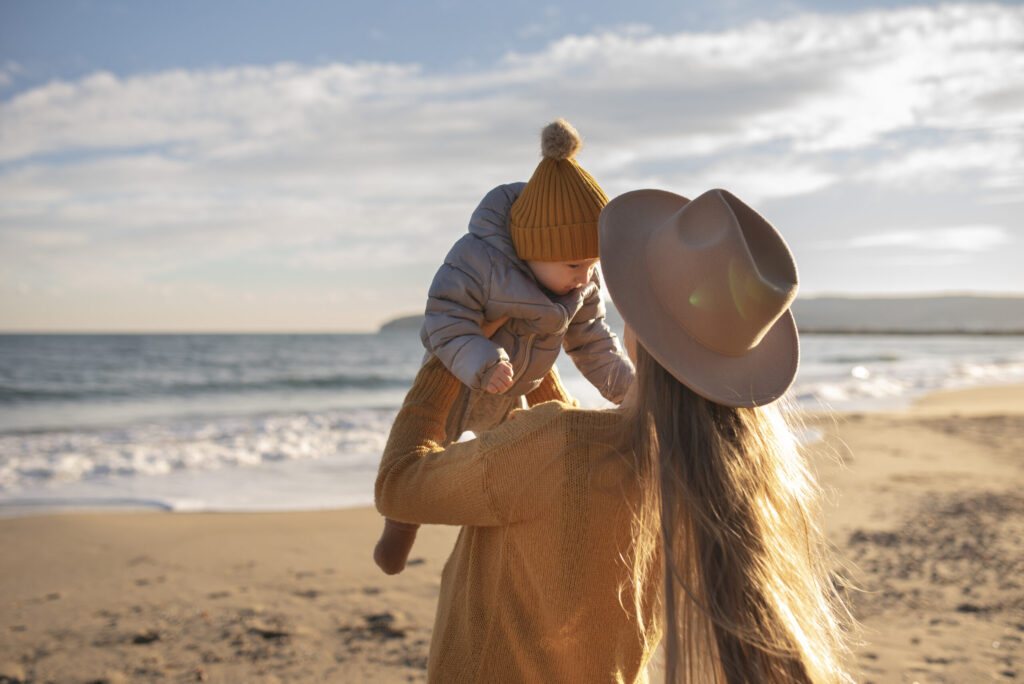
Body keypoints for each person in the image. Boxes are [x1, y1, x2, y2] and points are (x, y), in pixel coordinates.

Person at [375, 187, 853, 682]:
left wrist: (449, 354)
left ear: (638, 332)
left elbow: (399, 482)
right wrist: (538, 350)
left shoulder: (557, 446)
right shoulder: (707, 472)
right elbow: (563, 479)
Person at [373, 119, 635, 575]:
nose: (586, 275)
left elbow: (594, 342)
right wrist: (481, 359)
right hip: (463, 378)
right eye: (575, 263)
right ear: (533, 250)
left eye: (593, 264)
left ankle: (548, 531)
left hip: (524, 377)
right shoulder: (479, 261)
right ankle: (399, 534)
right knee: (428, 453)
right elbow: (444, 319)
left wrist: (628, 390)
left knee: (546, 445)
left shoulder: (581, 282)